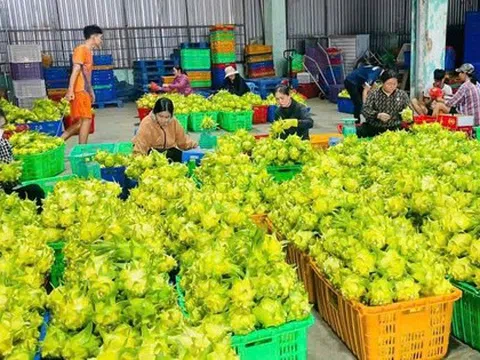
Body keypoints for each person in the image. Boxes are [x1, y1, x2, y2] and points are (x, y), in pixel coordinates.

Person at [62, 25, 103, 144]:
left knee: (82, 122)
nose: (101, 40)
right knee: (86, 120)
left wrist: (91, 91)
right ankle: (82, 150)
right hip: (79, 90)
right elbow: (76, 70)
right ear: (93, 37)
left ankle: (57, 142)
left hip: (83, 90)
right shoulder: (81, 49)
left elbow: (86, 74)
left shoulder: (88, 52)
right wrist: (70, 90)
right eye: (100, 37)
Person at [0, 108, 45, 210]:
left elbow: (11, 173)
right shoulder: (2, 143)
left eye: (2, 127)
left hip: (6, 192)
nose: (1, 130)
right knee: (35, 191)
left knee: (34, 190)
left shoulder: (3, 142)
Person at [133, 97, 197, 155]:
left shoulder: (173, 121)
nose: (163, 120)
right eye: (160, 116)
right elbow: (141, 145)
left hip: (169, 151)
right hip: (152, 153)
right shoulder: (147, 123)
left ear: (171, 116)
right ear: (155, 114)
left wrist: (193, 145)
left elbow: (183, 140)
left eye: (167, 117)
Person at [358, 70, 411, 138]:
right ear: (382, 83)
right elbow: (365, 110)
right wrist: (377, 115)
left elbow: (408, 110)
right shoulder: (374, 94)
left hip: (394, 128)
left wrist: (408, 116)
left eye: (394, 84)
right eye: (389, 84)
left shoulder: (402, 94)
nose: (392, 86)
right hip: (375, 127)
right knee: (358, 132)